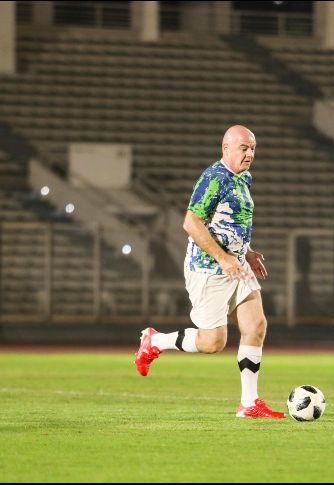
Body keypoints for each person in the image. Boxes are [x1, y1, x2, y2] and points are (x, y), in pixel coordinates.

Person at [134, 125, 284, 418]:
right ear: (226, 148)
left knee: (256, 327)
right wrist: (223, 258)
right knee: (212, 342)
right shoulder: (214, 178)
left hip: (236, 264)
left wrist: (247, 252)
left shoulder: (244, 178)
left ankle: (249, 403)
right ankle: (155, 341)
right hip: (209, 269)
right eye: (244, 148)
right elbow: (191, 223)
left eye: (253, 149)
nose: (250, 154)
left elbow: (232, 221)